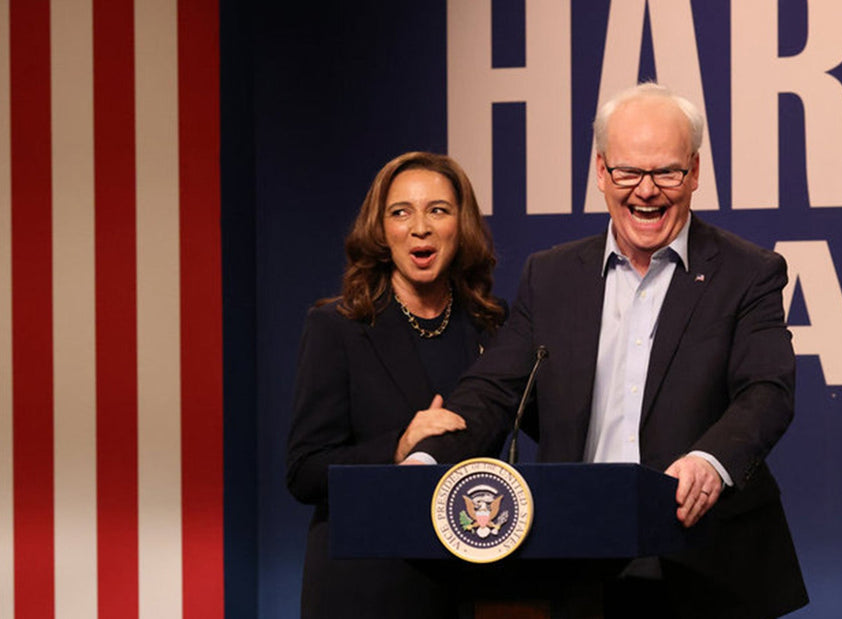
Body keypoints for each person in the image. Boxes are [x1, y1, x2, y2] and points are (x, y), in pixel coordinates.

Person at [408, 83, 809, 618]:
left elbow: (767, 391)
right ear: (601, 172)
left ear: (693, 172)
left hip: (705, 563)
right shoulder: (550, 276)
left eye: (666, 172)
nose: (646, 191)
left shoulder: (748, 273)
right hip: (578, 560)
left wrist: (711, 460)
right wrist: (426, 457)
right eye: (628, 172)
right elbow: (493, 390)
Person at [285, 151, 506, 619]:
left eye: (438, 210)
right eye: (400, 212)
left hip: (466, 586)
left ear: (460, 225)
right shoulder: (338, 326)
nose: (419, 227)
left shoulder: (491, 326)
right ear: (381, 230)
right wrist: (400, 444)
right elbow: (304, 471)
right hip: (366, 588)